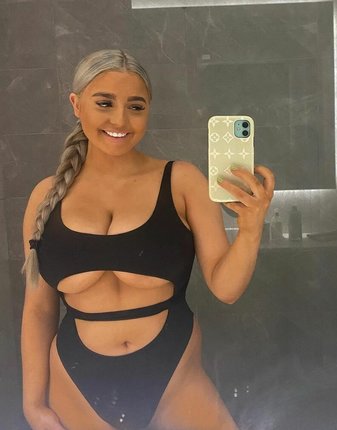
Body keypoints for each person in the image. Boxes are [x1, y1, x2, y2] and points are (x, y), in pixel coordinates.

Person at [20, 49, 275, 430]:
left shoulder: (182, 181)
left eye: (135, 107)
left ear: (148, 110)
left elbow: (226, 289)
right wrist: (33, 403)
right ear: (76, 104)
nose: (120, 120)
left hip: (174, 375)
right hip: (75, 381)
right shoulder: (45, 197)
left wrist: (251, 227)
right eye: (104, 103)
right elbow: (39, 309)